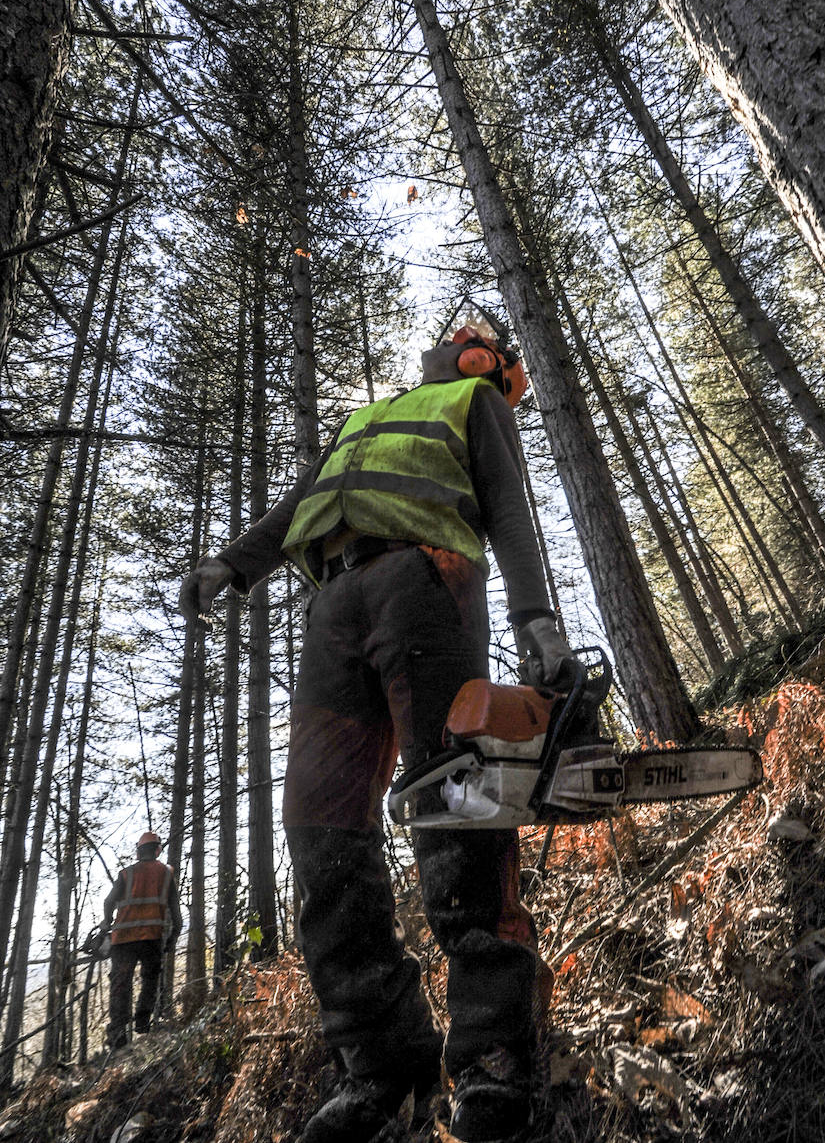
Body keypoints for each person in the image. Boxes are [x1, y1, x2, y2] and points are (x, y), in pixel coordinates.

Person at [180, 324, 576, 1143]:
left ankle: (492, 1051)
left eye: (493, 347)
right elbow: (300, 500)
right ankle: (378, 1060)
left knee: (454, 796)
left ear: (498, 373)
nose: (477, 342)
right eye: (470, 337)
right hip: (332, 600)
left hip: (427, 576)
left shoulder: (477, 405)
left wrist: (537, 618)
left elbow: (508, 503)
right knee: (319, 824)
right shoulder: (363, 419)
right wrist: (234, 564)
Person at [101, 831, 182, 1049]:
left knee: (120, 985)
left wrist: (106, 923)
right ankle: (143, 1024)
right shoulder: (166, 874)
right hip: (151, 939)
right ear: (157, 850)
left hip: (123, 940)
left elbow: (108, 902)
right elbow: (176, 914)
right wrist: (172, 938)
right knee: (150, 979)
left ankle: (118, 1035)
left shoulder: (126, 874)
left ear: (139, 852)